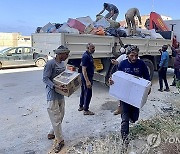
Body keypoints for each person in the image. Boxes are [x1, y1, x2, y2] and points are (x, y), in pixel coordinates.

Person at [109, 45, 151, 149]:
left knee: (134, 118)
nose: (134, 58)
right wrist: (111, 81)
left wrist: (148, 88)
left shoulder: (141, 64)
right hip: (124, 95)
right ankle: (125, 141)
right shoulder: (122, 64)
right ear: (127, 55)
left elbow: (147, 78)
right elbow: (116, 77)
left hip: (136, 95)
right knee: (125, 119)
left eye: (136, 55)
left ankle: (131, 119)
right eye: (132, 55)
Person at [43, 45, 70, 153]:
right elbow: (45, 78)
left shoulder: (62, 64)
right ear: (59, 54)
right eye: (66, 54)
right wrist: (54, 86)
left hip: (61, 94)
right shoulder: (50, 64)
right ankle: (60, 141)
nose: (67, 56)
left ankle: (51, 132)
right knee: (56, 118)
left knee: (61, 116)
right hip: (52, 95)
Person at [78, 43, 95, 115]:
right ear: (88, 48)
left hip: (86, 76)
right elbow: (84, 70)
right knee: (88, 93)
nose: (94, 50)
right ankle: (86, 110)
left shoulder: (89, 55)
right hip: (86, 77)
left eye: (94, 48)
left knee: (83, 91)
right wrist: (87, 81)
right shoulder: (86, 56)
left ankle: (81, 106)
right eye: (92, 48)